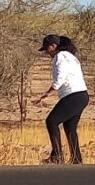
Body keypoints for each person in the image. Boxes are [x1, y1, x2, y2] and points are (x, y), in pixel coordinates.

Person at [34, 34, 89, 164]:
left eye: (47, 49)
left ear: (53, 46)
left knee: (51, 121)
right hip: (82, 95)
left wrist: (46, 94)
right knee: (69, 126)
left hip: (73, 95)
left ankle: (57, 156)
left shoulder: (60, 57)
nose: (47, 53)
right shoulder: (71, 57)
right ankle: (76, 159)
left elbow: (60, 78)